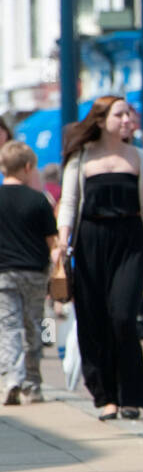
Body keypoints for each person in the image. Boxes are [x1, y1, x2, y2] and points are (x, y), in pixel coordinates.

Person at [57, 96, 143, 421]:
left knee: (123, 316)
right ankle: (105, 396)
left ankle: (131, 396)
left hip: (130, 243)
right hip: (90, 242)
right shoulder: (81, 158)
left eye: (129, 114)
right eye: (120, 114)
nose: (128, 119)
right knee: (93, 318)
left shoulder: (139, 156)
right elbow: (69, 204)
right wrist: (62, 242)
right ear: (101, 120)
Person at [0, 141, 57, 406]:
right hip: (35, 272)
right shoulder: (39, 200)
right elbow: (52, 243)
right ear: (27, 167)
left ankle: (12, 377)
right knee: (33, 326)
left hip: (3, 273)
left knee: (8, 327)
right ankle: (32, 384)